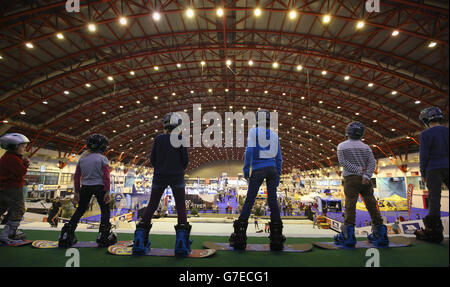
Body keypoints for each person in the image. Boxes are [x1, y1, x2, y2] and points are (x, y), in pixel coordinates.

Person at [132, 112, 191, 256]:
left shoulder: (158, 139)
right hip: (177, 176)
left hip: (159, 176)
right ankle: (181, 243)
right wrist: (177, 168)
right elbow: (185, 161)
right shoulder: (180, 139)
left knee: (152, 205)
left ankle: (140, 238)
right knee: (181, 206)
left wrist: (161, 168)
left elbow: (152, 159)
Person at [229, 109, 285, 251]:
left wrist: (246, 169)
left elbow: (249, 151)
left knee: (250, 200)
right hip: (272, 168)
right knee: (272, 201)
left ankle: (240, 234)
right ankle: (277, 237)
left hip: (258, 169)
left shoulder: (254, 132)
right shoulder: (274, 135)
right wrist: (278, 175)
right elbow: (279, 158)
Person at [334, 122, 389, 248]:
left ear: (348, 132)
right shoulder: (366, 147)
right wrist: (366, 176)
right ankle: (380, 234)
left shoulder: (342, 146)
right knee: (372, 205)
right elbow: (372, 162)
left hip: (351, 179)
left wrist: (358, 170)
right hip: (366, 181)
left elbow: (343, 162)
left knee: (350, 205)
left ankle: (348, 236)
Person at [58, 134, 117, 248]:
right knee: (105, 209)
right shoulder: (102, 158)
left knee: (80, 210)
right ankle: (103, 236)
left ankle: (67, 234)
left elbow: (76, 177)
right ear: (102, 147)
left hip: (85, 187)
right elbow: (106, 177)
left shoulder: (82, 159)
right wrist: (107, 191)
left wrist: (76, 192)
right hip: (99, 187)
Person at [414, 107, 449, 243]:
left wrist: (423, 173)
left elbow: (424, 155)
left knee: (434, 199)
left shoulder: (425, 134)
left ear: (426, 120)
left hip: (433, 169)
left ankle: (434, 232)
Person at [0, 133, 30, 244]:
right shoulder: (12, 158)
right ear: (13, 146)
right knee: (18, 209)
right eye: (22, 146)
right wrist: (26, 164)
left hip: (4, 187)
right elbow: (21, 172)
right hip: (13, 187)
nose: (24, 149)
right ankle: (8, 234)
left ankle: (9, 232)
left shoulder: (8, 157)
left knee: (2, 207)